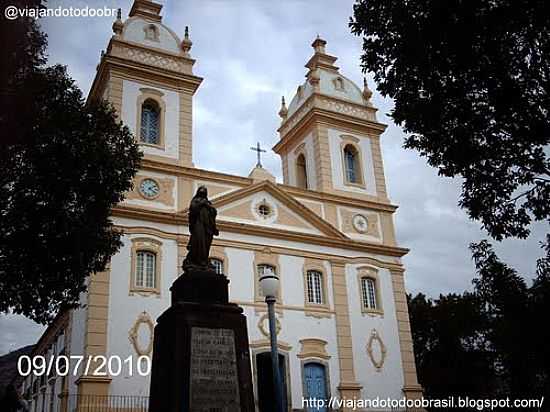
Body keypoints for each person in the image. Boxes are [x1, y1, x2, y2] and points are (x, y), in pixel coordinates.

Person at [183, 186, 219, 270]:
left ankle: (204, 260)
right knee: (198, 242)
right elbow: (193, 210)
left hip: (208, 228)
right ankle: (197, 260)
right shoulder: (195, 201)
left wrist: (209, 207)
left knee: (206, 244)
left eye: (204, 191)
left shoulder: (208, 203)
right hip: (199, 225)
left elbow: (214, 213)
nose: (203, 193)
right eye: (201, 191)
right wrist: (202, 204)